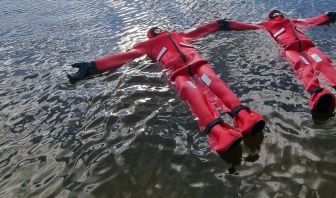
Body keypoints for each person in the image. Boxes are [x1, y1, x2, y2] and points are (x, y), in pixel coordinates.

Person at [67, 21, 265, 154]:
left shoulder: (179, 35)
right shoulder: (146, 46)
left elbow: (202, 30)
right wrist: (93, 65)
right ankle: (220, 132)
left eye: (158, 28)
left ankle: (245, 117)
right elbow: (125, 57)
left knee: (214, 83)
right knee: (193, 94)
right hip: (179, 73)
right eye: (154, 31)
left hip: (198, 64)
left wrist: (221, 24)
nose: (157, 30)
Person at [216, 10, 336, 114]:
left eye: (278, 12)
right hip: (289, 49)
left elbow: (310, 21)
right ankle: (317, 94)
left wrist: (327, 16)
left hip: (308, 47)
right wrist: (229, 24)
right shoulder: (266, 25)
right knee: (303, 66)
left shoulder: (293, 21)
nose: (276, 13)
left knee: (323, 63)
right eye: (273, 13)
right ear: (270, 17)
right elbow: (248, 26)